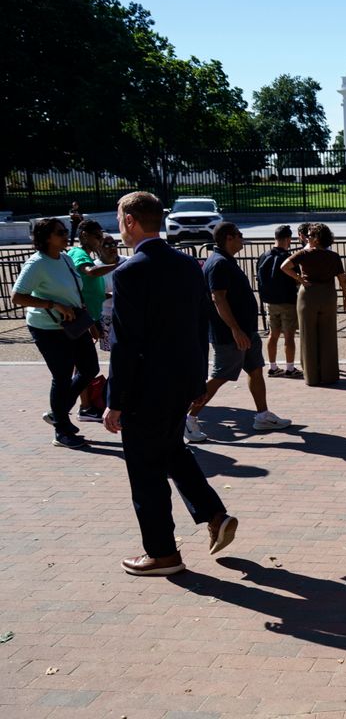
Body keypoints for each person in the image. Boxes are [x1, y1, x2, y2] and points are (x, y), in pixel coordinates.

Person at [102, 191, 237, 576]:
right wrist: (197, 382)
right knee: (170, 451)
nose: (118, 227)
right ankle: (214, 515)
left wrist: (115, 399)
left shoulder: (129, 271)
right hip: (180, 382)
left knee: (146, 472)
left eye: (119, 219)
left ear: (130, 220)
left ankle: (163, 554)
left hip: (145, 388)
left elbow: (126, 343)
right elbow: (199, 328)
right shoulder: (186, 265)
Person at [184, 222, 292, 442]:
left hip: (245, 331)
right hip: (231, 334)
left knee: (255, 370)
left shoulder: (225, 261)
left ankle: (262, 415)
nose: (243, 239)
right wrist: (235, 330)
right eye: (240, 235)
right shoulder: (219, 263)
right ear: (229, 238)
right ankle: (188, 418)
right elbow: (218, 298)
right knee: (220, 376)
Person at [12, 217, 100, 448]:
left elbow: (75, 292)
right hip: (48, 328)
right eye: (60, 232)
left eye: (64, 231)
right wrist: (54, 305)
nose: (65, 235)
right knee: (61, 377)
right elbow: (17, 296)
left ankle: (57, 413)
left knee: (90, 368)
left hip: (75, 324)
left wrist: (89, 321)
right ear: (46, 238)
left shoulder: (66, 258)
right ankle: (61, 431)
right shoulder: (36, 263)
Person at [280, 223, 346, 386]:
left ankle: (312, 376)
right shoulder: (334, 257)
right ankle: (329, 375)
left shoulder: (304, 254)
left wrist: (299, 278)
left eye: (310, 235)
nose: (307, 238)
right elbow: (343, 280)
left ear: (317, 239)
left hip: (308, 295)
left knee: (308, 335)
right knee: (328, 335)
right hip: (328, 295)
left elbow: (284, 267)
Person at [68, 219, 121, 419]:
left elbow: (93, 291)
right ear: (84, 236)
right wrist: (118, 265)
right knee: (83, 367)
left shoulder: (86, 255)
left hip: (89, 318)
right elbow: (90, 273)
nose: (100, 241)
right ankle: (79, 407)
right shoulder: (80, 254)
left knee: (84, 367)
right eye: (97, 237)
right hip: (83, 317)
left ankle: (81, 406)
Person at [256, 225, 302, 379]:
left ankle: (273, 366)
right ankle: (290, 367)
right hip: (287, 300)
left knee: (273, 334)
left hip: (270, 301)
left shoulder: (264, 255)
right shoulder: (288, 258)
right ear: (288, 239)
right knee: (289, 336)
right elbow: (296, 279)